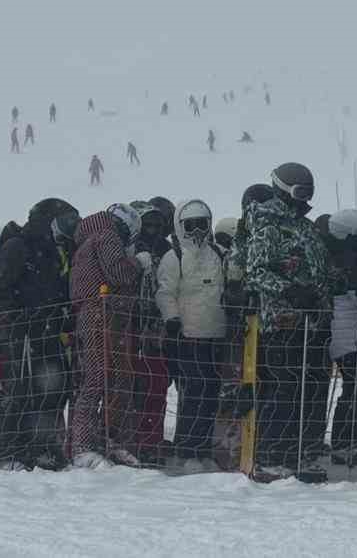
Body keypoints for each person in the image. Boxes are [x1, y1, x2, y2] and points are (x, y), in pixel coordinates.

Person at [243, 162, 333, 482]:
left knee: (304, 391)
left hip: (311, 322)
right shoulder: (269, 226)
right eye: (300, 192)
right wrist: (290, 290)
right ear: (283, 189)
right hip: (281, 321)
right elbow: (255, 271)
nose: (305, 198)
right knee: (284, 387)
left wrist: (330, 285)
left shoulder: (304, 227)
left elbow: (316, 270)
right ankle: (268, 456)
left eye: (309, 192)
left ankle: (295, 454)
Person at [0, 198, 78, 471]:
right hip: (20, 333)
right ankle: (7, 452)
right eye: (64, 222)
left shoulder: (54, 250)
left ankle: (42, 447)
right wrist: (19, 317)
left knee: (51, 390)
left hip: (48, 331)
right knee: (18, 390)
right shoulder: (18, 246)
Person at [156, 199, 236, 472]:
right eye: (191, 226)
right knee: (193, 393)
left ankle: (203, 448)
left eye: (202, 224)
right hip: (188, 336)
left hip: (216, 334)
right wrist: (172, 319)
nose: (197, 232)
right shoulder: (174, 256)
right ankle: (187, 450)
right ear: (180, 227)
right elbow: (165, 291)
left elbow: (229, 285)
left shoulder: (219, 254)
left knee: (211, 393)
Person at [68, 203, 144, 467]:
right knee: (106, 377)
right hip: (102, 312)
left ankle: (95, 441)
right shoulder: (107, 236)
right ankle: (91, 444)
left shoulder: (88, 239)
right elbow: (118, 272)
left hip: (93, 312)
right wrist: (137, 262)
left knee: (102, 376)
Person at [323, 209, 357, 468]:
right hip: (346, 331)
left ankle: (351, 440)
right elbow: (338, 288)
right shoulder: (336, 260)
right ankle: (343, 443)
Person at [127, 201, 175, 464]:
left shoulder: (167, 250)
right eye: (148, 225)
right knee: (135, 385)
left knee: (157, 384)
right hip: (131, 326)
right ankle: (133, 438)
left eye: (158, 225)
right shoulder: (129, 249)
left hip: (158, 329)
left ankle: (151, 438)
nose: (154, 230)